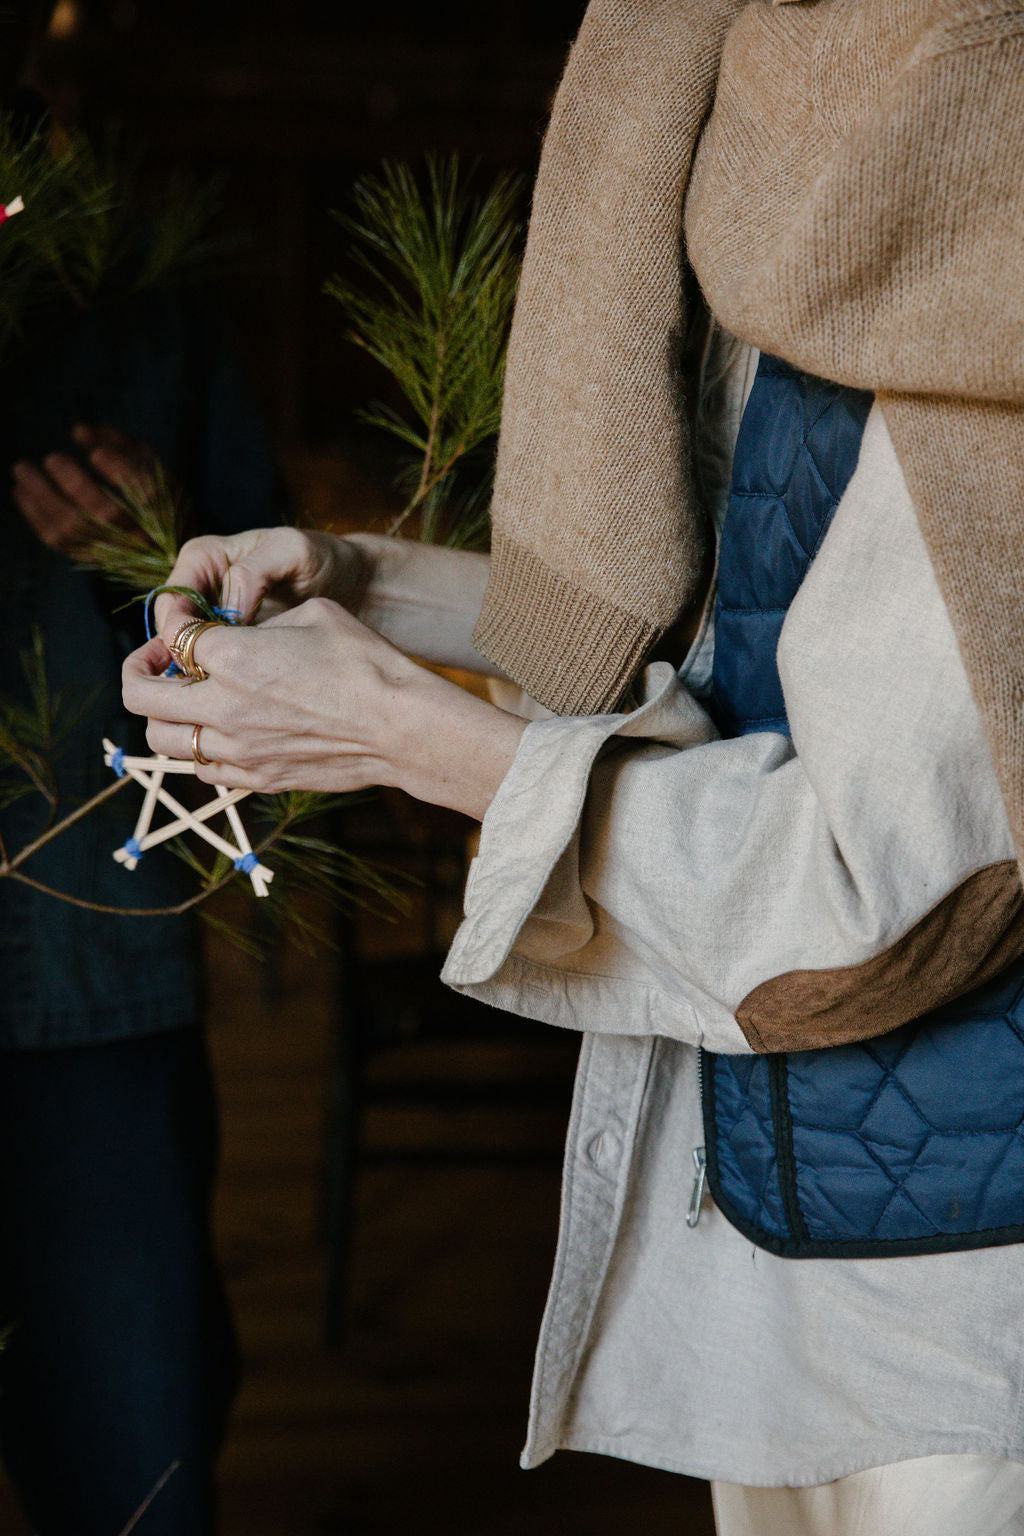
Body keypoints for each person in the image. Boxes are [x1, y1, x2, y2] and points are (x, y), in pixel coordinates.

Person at [124, 2, 1024, 1533]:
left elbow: (876, 901)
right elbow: (731, 647)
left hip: (956, 1310)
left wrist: (404, 731)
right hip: (797, 1221)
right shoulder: (788, 204)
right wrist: (371, 588)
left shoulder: (968, 227)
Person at [0, 8, 283, 1530]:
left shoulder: (138, 299)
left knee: (135, 1463)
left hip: (83, 969)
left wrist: (152, 549)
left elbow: (274, 638)